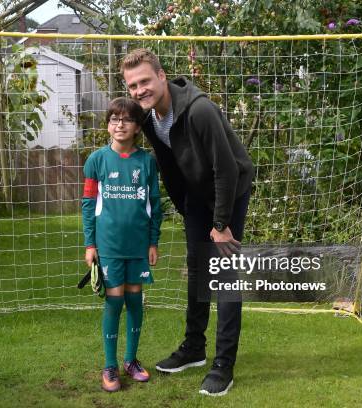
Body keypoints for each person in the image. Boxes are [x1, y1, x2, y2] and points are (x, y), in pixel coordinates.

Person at [121, 48, 254, 396]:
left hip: (230, 188)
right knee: (197, 268)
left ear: (162, 76)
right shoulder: (150, 118)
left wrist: (221, 223)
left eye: (145, 81)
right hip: (197, 194)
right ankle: (194, 347)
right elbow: (168, 163)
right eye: (133, 85)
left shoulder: (199, 110)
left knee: (224, 274)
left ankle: (223, 364)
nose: (139, 90)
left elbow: (225, 167)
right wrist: (186, 207)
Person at [81, 97, 163, 392]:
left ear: (138, 127)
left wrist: (153, 241)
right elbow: (88, 204)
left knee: (134, 299)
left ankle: (130, 360)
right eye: (114, 119)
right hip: (109, 246)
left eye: (126, 120)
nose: (119, 124)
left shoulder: (147, 162)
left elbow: (154, 203)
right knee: (114, 300)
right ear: (107, 125)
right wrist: (90, 244)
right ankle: (109, 366)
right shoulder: (96, 160)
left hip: (138, 245)